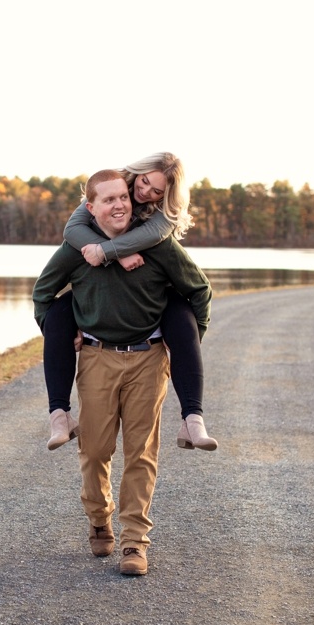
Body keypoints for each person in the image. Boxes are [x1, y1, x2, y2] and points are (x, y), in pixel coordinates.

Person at [32, 168, 213, 576]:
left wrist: (185, 341)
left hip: (149, 359)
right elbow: (43, 295)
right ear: (90, 207)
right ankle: (100, 518)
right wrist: (62, 334)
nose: (118, 205)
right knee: (95, 450)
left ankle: (135, 541)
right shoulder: (75, 249)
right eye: (108, 199)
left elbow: (199, 291)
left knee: (141, 453)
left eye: (123, 198)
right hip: (97, 356)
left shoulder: (157, 244)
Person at [42, 152, 216, 453]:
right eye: (145, 181)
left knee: (182, 316)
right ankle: (59, 414)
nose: (145, 192)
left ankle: (192, 417)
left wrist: (188, 341)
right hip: (99, 339)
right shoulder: (109, 190)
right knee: (58, 311)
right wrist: (114, 251)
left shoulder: (160, 227)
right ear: (136, 173)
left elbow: (199, 288)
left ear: (165, 197)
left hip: (155, 306)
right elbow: (71, 230)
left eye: (156, 191)